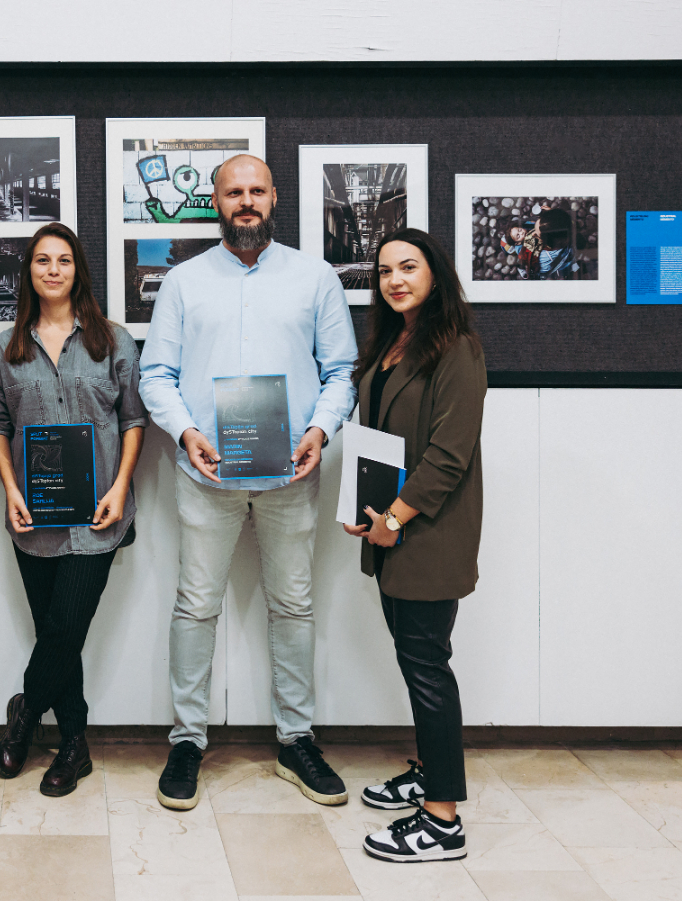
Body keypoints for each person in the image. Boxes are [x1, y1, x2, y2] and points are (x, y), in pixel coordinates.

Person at [139, 154, 358, 811]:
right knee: (194, 606)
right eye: (233, 192)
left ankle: (295, 739)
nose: (245, 201)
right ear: (214, 201)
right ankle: (186, 740)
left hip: (291, 472)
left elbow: (340, 370)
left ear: (272, 198)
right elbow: (155, 375)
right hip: (204, 473)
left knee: (292, 604)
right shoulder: (182, 282)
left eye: (255, 190)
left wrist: (319, 430)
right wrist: (185, 432)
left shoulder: (314, 279)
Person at [0, 223, 148, 796]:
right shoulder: (6, 349)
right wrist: (10, 488)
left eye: (64, 261)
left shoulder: (114, 342)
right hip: (34, 517)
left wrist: (121, 486)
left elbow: (133, 420)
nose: (53, 270)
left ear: (78, 270)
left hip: (99, 514)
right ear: (28, 271)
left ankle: (25, 716)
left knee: (63, 626)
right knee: (59, 634)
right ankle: (74, 745)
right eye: (42, 261)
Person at [343, 227, 486, 863]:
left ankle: (443, 821)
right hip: (391, 531)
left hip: (427, 533)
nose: (395, 279)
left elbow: (447, 458)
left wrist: (393, 519)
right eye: (384, 271)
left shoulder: (456, 348)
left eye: (408, 267)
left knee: (427, 667)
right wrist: (363, 512)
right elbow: (378, 435)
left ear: (435, 274)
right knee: (414, 660)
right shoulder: (393, 341)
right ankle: (430, 775)